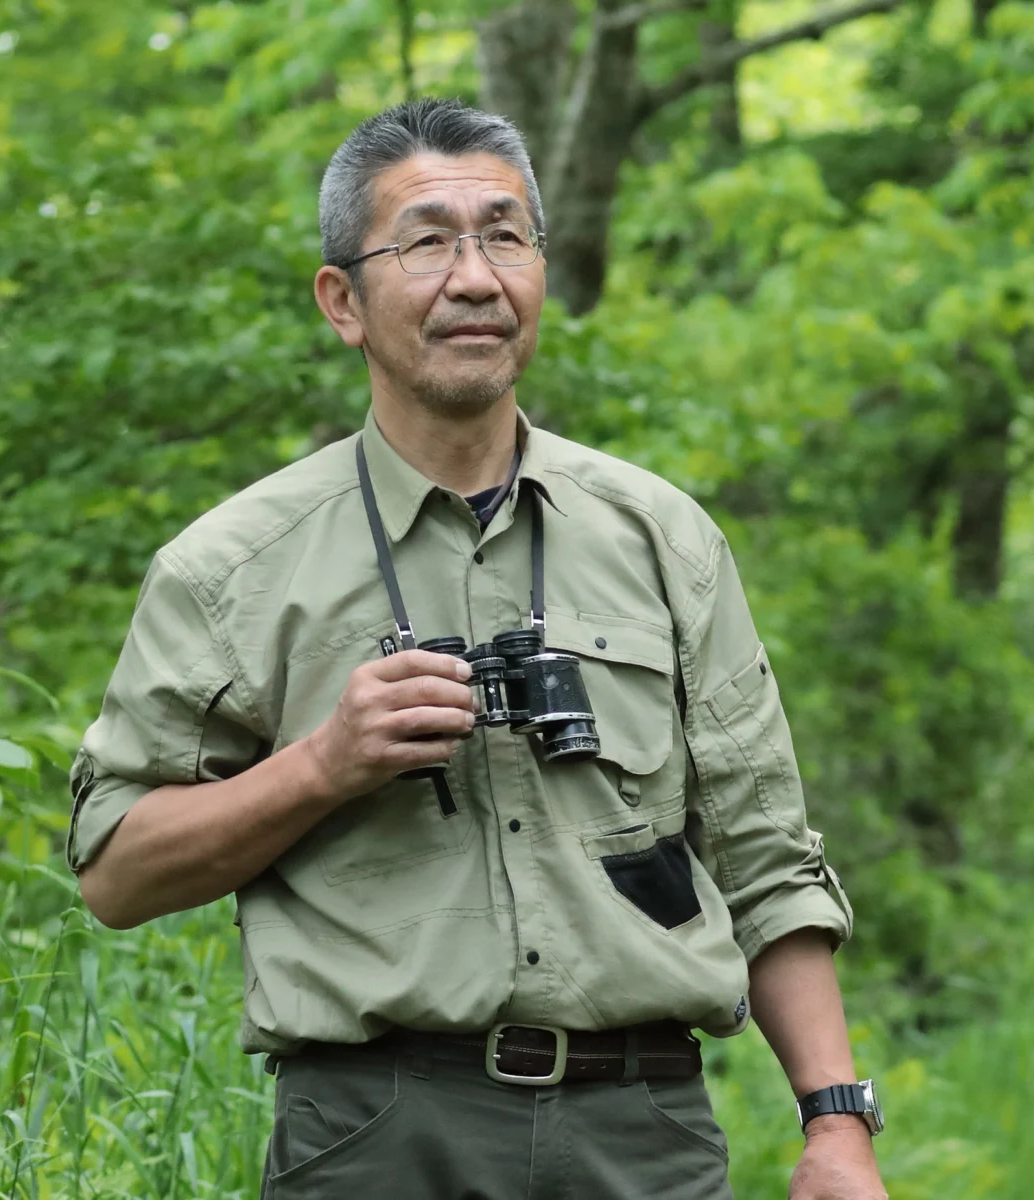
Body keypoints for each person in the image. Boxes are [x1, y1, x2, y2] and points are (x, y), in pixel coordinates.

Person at [66, 98, 888, 1200]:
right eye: (426, 241)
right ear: (342, 301)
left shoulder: (664, 539)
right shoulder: (232, 568)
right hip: (375, 1133)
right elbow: (116, 869)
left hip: (644, 1134)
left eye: (505, 236)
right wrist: (322, 766)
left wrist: (835, 1125)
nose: (474, 277)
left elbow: (768, 860)